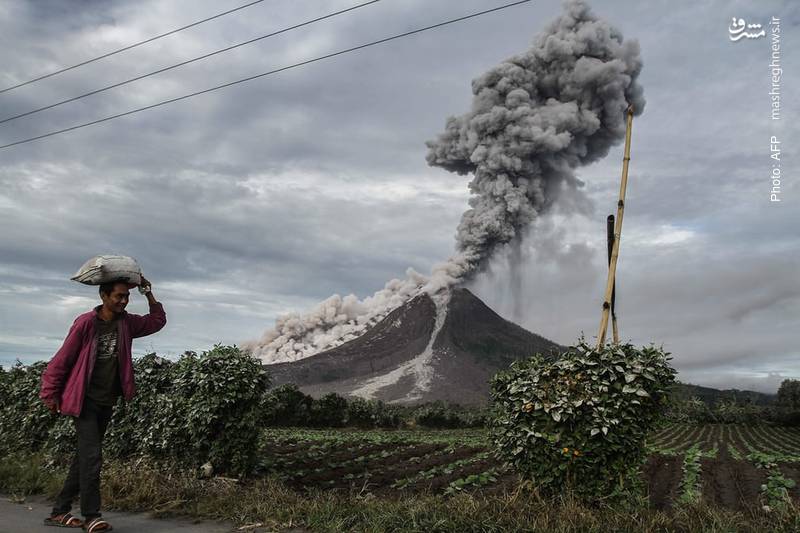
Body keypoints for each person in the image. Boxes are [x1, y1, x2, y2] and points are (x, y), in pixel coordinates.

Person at [39, 276, 166, 531]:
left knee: (84, 458)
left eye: (126, 296)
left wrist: (148, 293)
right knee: (92, 457)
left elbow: (156, 321)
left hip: (106, 401)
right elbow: (62, 360)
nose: (123, 301)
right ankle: (91, 516)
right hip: (83, 400)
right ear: (104, 297)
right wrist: (49, 394)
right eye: (118, 296)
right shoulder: (86, 323)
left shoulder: (126, 323)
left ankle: (59, 511)